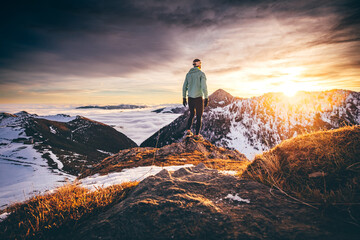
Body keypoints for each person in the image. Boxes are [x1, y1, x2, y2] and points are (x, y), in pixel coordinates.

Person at [182, 58, 208, 141]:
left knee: (192, 114)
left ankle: (188, 131)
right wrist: (206, 97)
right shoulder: (201, 74)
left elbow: (184, 87)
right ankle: (197, 135)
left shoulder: (188, 74)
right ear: (199, 65)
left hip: (190, 98)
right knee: (199, 116)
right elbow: (204, 87)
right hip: (198, 98)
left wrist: (184, 97)